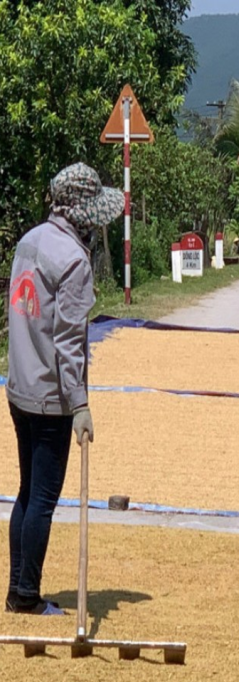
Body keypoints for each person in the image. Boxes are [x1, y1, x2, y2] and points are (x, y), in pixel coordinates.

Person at [5, 163, 123, 615]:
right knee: (42, 499)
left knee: (25, 491)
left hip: (18, 386)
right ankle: (26, 595)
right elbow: (70, 339)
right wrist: (80, 405)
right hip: (52, 396)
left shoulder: (29, 241)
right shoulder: (73, 260)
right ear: (81, 212)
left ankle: (18, 590)